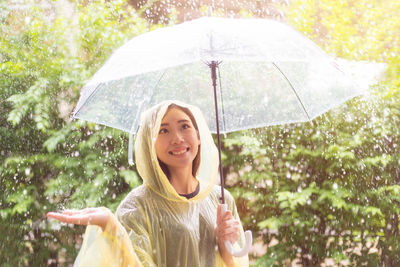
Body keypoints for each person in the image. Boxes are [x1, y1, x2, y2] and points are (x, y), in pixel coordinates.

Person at [47, 100, 249, 267]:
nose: (177, 138)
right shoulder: (137, 206)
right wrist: (110, 227)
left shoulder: (220, 199)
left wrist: (226, 249)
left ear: (198, 135)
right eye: (163, 131)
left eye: (185, 126)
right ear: (149, 144)